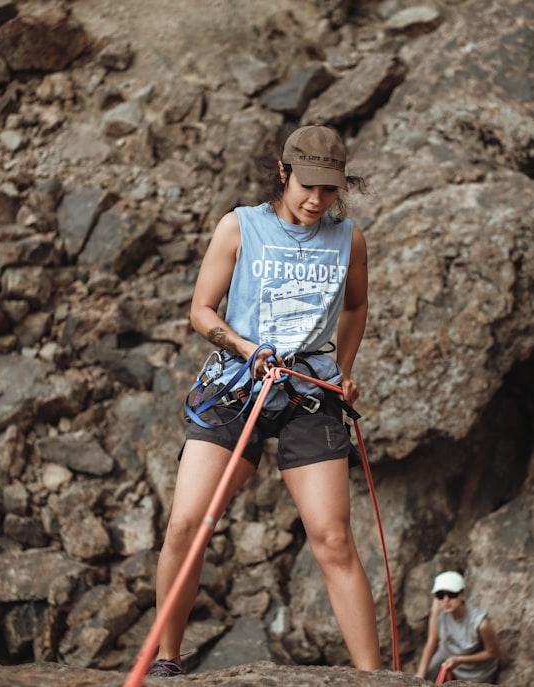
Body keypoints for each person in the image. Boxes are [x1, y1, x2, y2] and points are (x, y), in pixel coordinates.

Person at [147, 125, 379, 677]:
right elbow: (201, 311)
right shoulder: (240, 226)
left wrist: (342, 372)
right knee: (186, 525)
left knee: (332, 539)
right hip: (234, 387)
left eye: (329, 190)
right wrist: (247, 347)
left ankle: (377, 678)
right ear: (283, 172)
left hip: (310, 394)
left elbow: (355, 307)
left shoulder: (349, 239)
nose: (316, 200)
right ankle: (166, 661)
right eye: (307, 186)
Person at [415, 571, 500, 684]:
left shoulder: (480, 623)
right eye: (440, 595)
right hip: (445, 656)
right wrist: (421, 673)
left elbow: (493, 652)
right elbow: (432, 640)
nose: (446, 600)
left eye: (452, 594)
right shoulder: (438, 609)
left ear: (462, 594)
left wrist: (460, 660)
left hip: (475, 670)